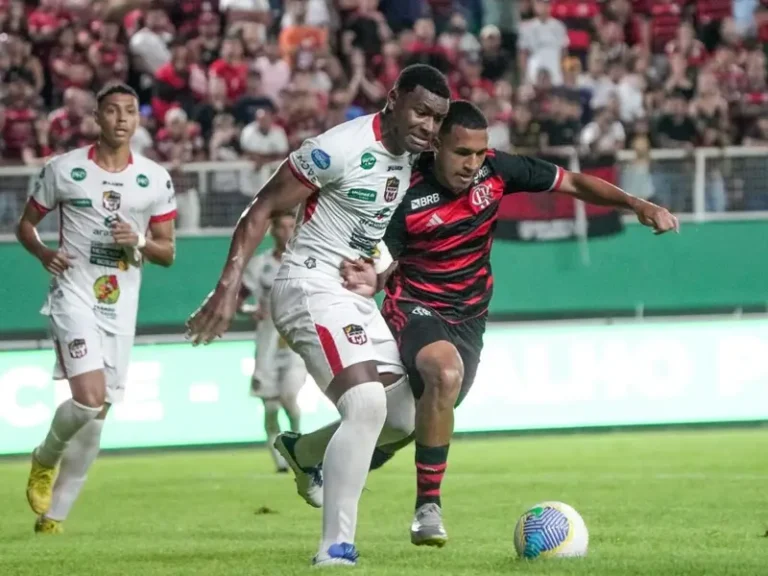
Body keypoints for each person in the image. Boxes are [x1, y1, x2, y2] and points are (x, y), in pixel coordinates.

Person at [283, 100, 679, 547]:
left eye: (478, 153)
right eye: (461, 153)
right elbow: (385, 256)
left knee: (417, 419)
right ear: (436, 146)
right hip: (414, 305)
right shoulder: (405, 188)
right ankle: (427, 509)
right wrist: (371, 278)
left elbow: (570, 182)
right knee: (442, 373)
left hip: (470, 315)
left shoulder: (497, 171)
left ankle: (306, 451)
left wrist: (636, 204)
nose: (472, 164)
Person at [185, 64, 451, 566]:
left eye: (436, 119)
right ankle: (335, 547)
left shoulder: (414, 158)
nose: (428, 127)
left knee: (405, 414)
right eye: (420, 112)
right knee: (367, 405)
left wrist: (380, 273)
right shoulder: (340, 148)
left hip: (352, 294)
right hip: (307, 283)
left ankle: (305, 454)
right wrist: (227, 287)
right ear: (392, 99)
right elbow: (259, 209)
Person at [17, 82, 177, 534]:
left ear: (138, 120)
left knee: (98, 414)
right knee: (87, 400)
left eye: (130, 111)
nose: (122, 119)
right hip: (74, 293)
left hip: (121, 304)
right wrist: (45, 254)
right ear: (97, 118)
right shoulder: (64, 170)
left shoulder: (154, 179)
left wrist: (140, 241)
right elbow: (26, 225)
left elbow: (167, 253)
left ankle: (54, 517)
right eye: (112, 111)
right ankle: (44, 458)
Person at [238, 213, 306, 473]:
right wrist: (248, 310)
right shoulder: (260, 265)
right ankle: (278, 458)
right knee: (270, 406)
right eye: (282, 227)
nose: (287, 231)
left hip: (296, 343)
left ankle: (298, 443)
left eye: (292, 226)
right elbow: (239, 299)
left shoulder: (306, 262)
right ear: (273, 231)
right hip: (267, 342)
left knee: (289, 396)